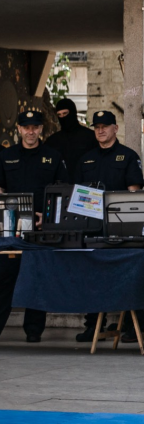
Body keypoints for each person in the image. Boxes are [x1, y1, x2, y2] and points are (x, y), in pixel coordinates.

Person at [0, 110, 68, 344]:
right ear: (18, 129)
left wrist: (45, 219)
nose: (31, 131)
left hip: (40, 229)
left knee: (37, 279)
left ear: (41, 129)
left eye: (35, 127)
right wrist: (5, 218)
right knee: (3, 279)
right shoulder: (6, 156)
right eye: (26, 127)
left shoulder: (53, 156)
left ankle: (34, 330)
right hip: (12, 230)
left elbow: (62, 194)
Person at [73, 110, 144, 343]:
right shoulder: (85, 159)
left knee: (130, 276)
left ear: (115, 128)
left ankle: (136, 328)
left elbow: (135, 193)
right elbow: (77, 195)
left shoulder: (128, 156)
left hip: (122, 228)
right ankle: (93, 326)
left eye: (105, 126)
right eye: (96, 127)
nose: (100, 130)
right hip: (92, 228)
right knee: (91, 277)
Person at [45, 97, 99, 179]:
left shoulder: (91, 137)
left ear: (73, 112)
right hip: (60, 187)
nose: (62, 117)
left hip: (85, 186)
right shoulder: (52, 141)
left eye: (65, 113)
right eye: (59, 115)